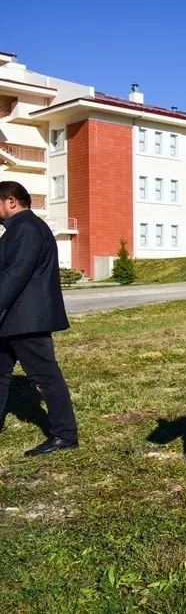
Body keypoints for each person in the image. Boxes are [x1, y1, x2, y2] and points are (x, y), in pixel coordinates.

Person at [0, 181, 79, 456]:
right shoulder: (20, 229)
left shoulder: (25, 228)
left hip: (26, 319)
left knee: (45, 376)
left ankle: (65, 434)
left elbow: (15, 274)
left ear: (11, 202)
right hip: (14, 318)